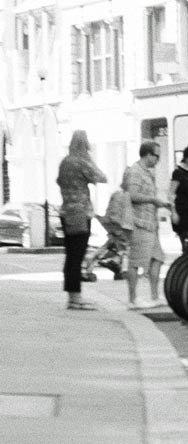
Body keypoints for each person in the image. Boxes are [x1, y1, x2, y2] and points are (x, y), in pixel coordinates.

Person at [56, 129, 107, 311]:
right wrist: (89, 159)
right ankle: (76, 298)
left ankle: (72, 297)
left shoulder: (65, 162)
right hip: (80, 213)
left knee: (71, 255)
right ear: (85, 145)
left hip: (66, 212)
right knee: (77, 256)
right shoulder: (81, 162)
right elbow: (102, 177)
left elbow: (59, 181)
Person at [124, 140, 171, 309]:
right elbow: (133, 195)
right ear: (147, 154)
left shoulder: (148, 172)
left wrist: (159, 203)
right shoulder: (136, 171)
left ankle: (154, 296)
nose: (158, 159)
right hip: (140, 223)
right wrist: (152, 200)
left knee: (157, 258)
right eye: (156, 155)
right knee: (136, 261)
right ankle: (132, 299)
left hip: (151, 223)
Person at [85, 179, 134, 279]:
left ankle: (94, 261)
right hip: (121, 225)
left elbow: (111, 209)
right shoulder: (129, 196)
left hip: (110, 223)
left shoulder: (117, 193)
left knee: (111, 244)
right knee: (126, 248)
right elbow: (128, 213)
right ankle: (123, 269)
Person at [169, 146, 188, 242]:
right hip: (182, 212)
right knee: (186, 240)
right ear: (187, 158)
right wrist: (173, 212)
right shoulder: (178, 172)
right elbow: (171, 193)